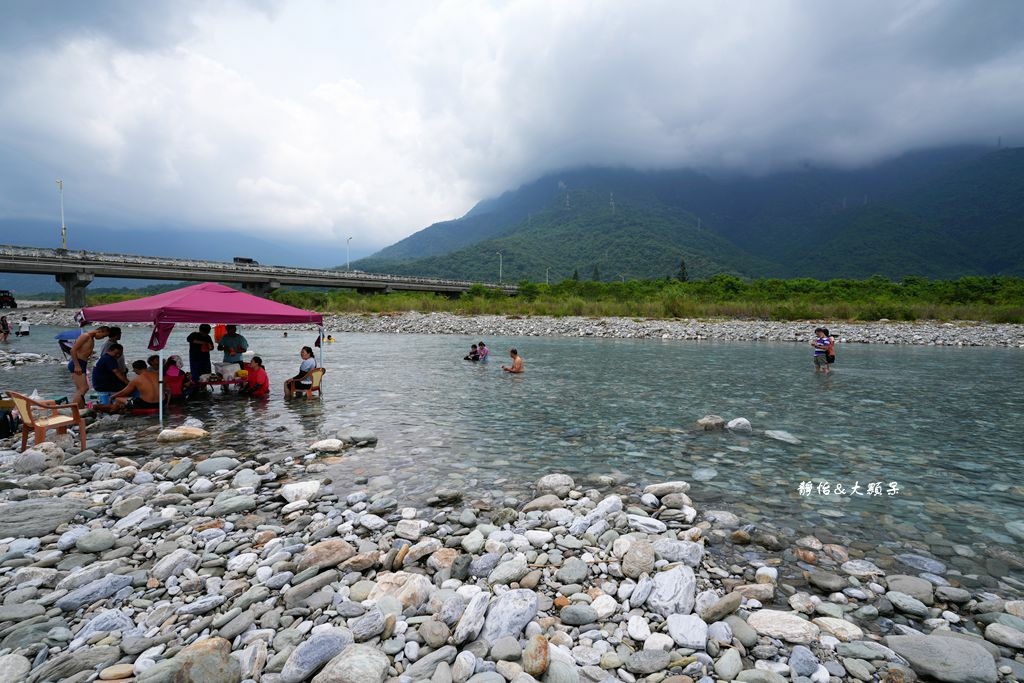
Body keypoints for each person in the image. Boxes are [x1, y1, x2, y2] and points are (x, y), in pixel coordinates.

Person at [96, 360, 163, 413]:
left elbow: (125, 392)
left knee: (118, 399)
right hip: (161, 403)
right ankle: (114, 409)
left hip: (145, 404)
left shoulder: (137, 379)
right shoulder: (158, 375)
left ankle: (112, 411)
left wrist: (112, 397)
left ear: (136, 369)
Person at [68, 326, 110, 407]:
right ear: (100, 331)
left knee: (80, 389)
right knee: (84, 388)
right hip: (77, 363)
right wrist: (77, 366)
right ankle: (73, 409)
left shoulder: (91, 338)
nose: (102, 338)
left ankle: (80, 407)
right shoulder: (85, 336)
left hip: (82, 363)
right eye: (103, 336)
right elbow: (72, 350)